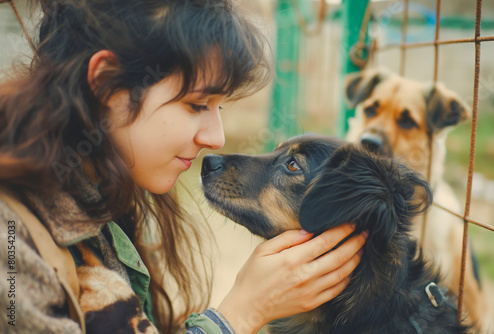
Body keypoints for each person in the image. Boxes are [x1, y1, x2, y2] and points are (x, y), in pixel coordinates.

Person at [0, 0, 367, 333]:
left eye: (219, 107)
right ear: (107, 82)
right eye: (197, 104)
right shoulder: (11, 243)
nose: (216, 138)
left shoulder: (96, 195)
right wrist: (240, 315)